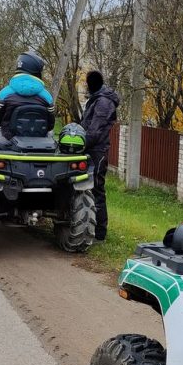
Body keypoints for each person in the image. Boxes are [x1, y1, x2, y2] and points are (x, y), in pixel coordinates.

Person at [0, 51, 55, 147]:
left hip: (9, 139)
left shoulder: (5, 92)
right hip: (39, 140)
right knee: (51, 133)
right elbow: (50, 125)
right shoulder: (47, 96)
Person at [79, 71, 120, 241]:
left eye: (88, 83)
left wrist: (79, 144)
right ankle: (89, 227)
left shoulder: (103, 102)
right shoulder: (97, 98)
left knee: (96, 189)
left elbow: (94, 130)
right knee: (88, 188)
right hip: (92, 150)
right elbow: (87, 124)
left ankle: (100, 233)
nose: (87, 86)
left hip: (97, 151)